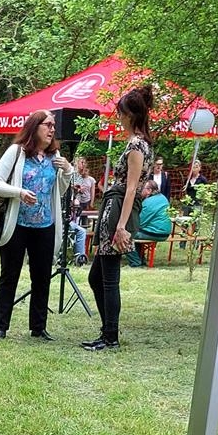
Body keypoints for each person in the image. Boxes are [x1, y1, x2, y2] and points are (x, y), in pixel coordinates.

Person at [0, 109, 73, 341]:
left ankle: (38, 327)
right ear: (34, 127)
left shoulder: (54, 157)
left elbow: (59, 190)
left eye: (53, 126)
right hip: (17, 225)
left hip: (44, 226)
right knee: (10, 275)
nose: (52, 130)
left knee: (42, 277)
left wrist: (67, 171)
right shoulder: (16, 152)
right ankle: (1, 326)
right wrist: (19, 192)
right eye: (47, 125)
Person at [81, 85, 154, 351]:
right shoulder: (143, 144)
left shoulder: (136, 145)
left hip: (119, 208)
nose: (119, 117)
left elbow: (132, 187)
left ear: (131, 115)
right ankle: (107, 331)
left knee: (109, 278)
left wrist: (121, 227)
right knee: (95, 278)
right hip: (117, 205)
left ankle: (110, 336)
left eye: (121, 113)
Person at [128, 180, 174, 267]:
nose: (140, 191)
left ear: (149, 190)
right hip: (165, 233)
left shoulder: (149, 202)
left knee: (126, 235)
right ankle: (141, 259)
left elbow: (140, 223)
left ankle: (135, 262)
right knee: (136, 235)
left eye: (142, 189)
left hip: (155, 233)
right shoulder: (163, 198)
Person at [70, 156, 97, 266]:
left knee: (82, 227)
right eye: (81, 162)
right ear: (76, 163)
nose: (84, 165)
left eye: (84, 162)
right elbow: (69, 186)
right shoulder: (73, 174)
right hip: (70, 209)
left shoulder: (85, 178)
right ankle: (77, 254)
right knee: (79, 229)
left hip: (78, 206)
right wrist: (76, 190)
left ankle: (79, 256)